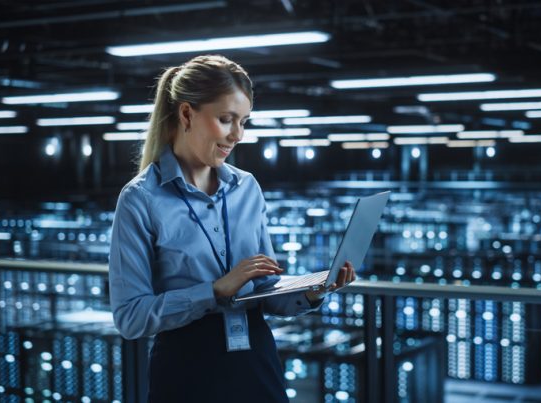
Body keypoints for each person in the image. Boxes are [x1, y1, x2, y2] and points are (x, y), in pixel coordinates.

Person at [108, 54, 356, 403]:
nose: (237, 135)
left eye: (244, 121)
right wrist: (215, 290)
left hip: (256, 363)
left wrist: (314, 290)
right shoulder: (141, 199)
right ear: (186, 114)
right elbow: (130, 317)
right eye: (226, 120)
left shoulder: (248, 188)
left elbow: (265, 289)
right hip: (187, 371)